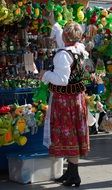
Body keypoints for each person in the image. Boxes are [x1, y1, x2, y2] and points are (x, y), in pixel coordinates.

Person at [39, 15, 90, 187]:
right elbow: (64, 40)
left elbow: (62, 79)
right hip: (76, 99)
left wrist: (44, 75)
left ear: (65, 38)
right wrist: (54, 23)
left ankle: (74, 175)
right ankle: (70, 172)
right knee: (73, 133)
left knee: (69, 135)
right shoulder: (78, 48)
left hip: (65, 101)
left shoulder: (63, 55)